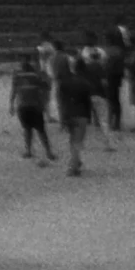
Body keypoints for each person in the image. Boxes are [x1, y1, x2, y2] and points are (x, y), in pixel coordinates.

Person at [51, 40, 94, 176]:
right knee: (78, 142)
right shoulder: (85, 83)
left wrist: (62, 117)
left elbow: (61, 100)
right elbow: (88, 103)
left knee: (72, 140)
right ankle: (73, 166)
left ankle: (76, 161)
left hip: (69, 113)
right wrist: (89, 118)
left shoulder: (65, 83)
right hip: (81, 114)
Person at [10, 54, 55, 164]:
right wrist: (11, 103)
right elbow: (14, 89)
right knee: (28, 129)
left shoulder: (35, 74)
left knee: (40, 129)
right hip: (24, 105)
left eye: (24, 60)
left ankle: (47, 151)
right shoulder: (18, 74)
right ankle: (29, 150)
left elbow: (46, 87)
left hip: (34, 105)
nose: (23, 63)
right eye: (21, 60)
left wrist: (43, 102)